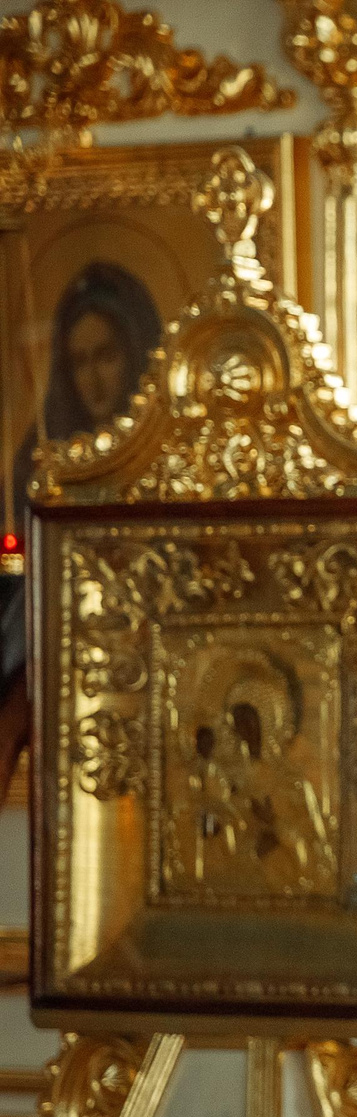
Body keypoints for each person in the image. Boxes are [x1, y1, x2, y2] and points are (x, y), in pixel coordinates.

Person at [1, 260, 164, 797]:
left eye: (107, 355)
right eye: (79, 361)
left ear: (135, 351)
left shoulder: (166, 455)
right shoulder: (43, 460)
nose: (93, 377)